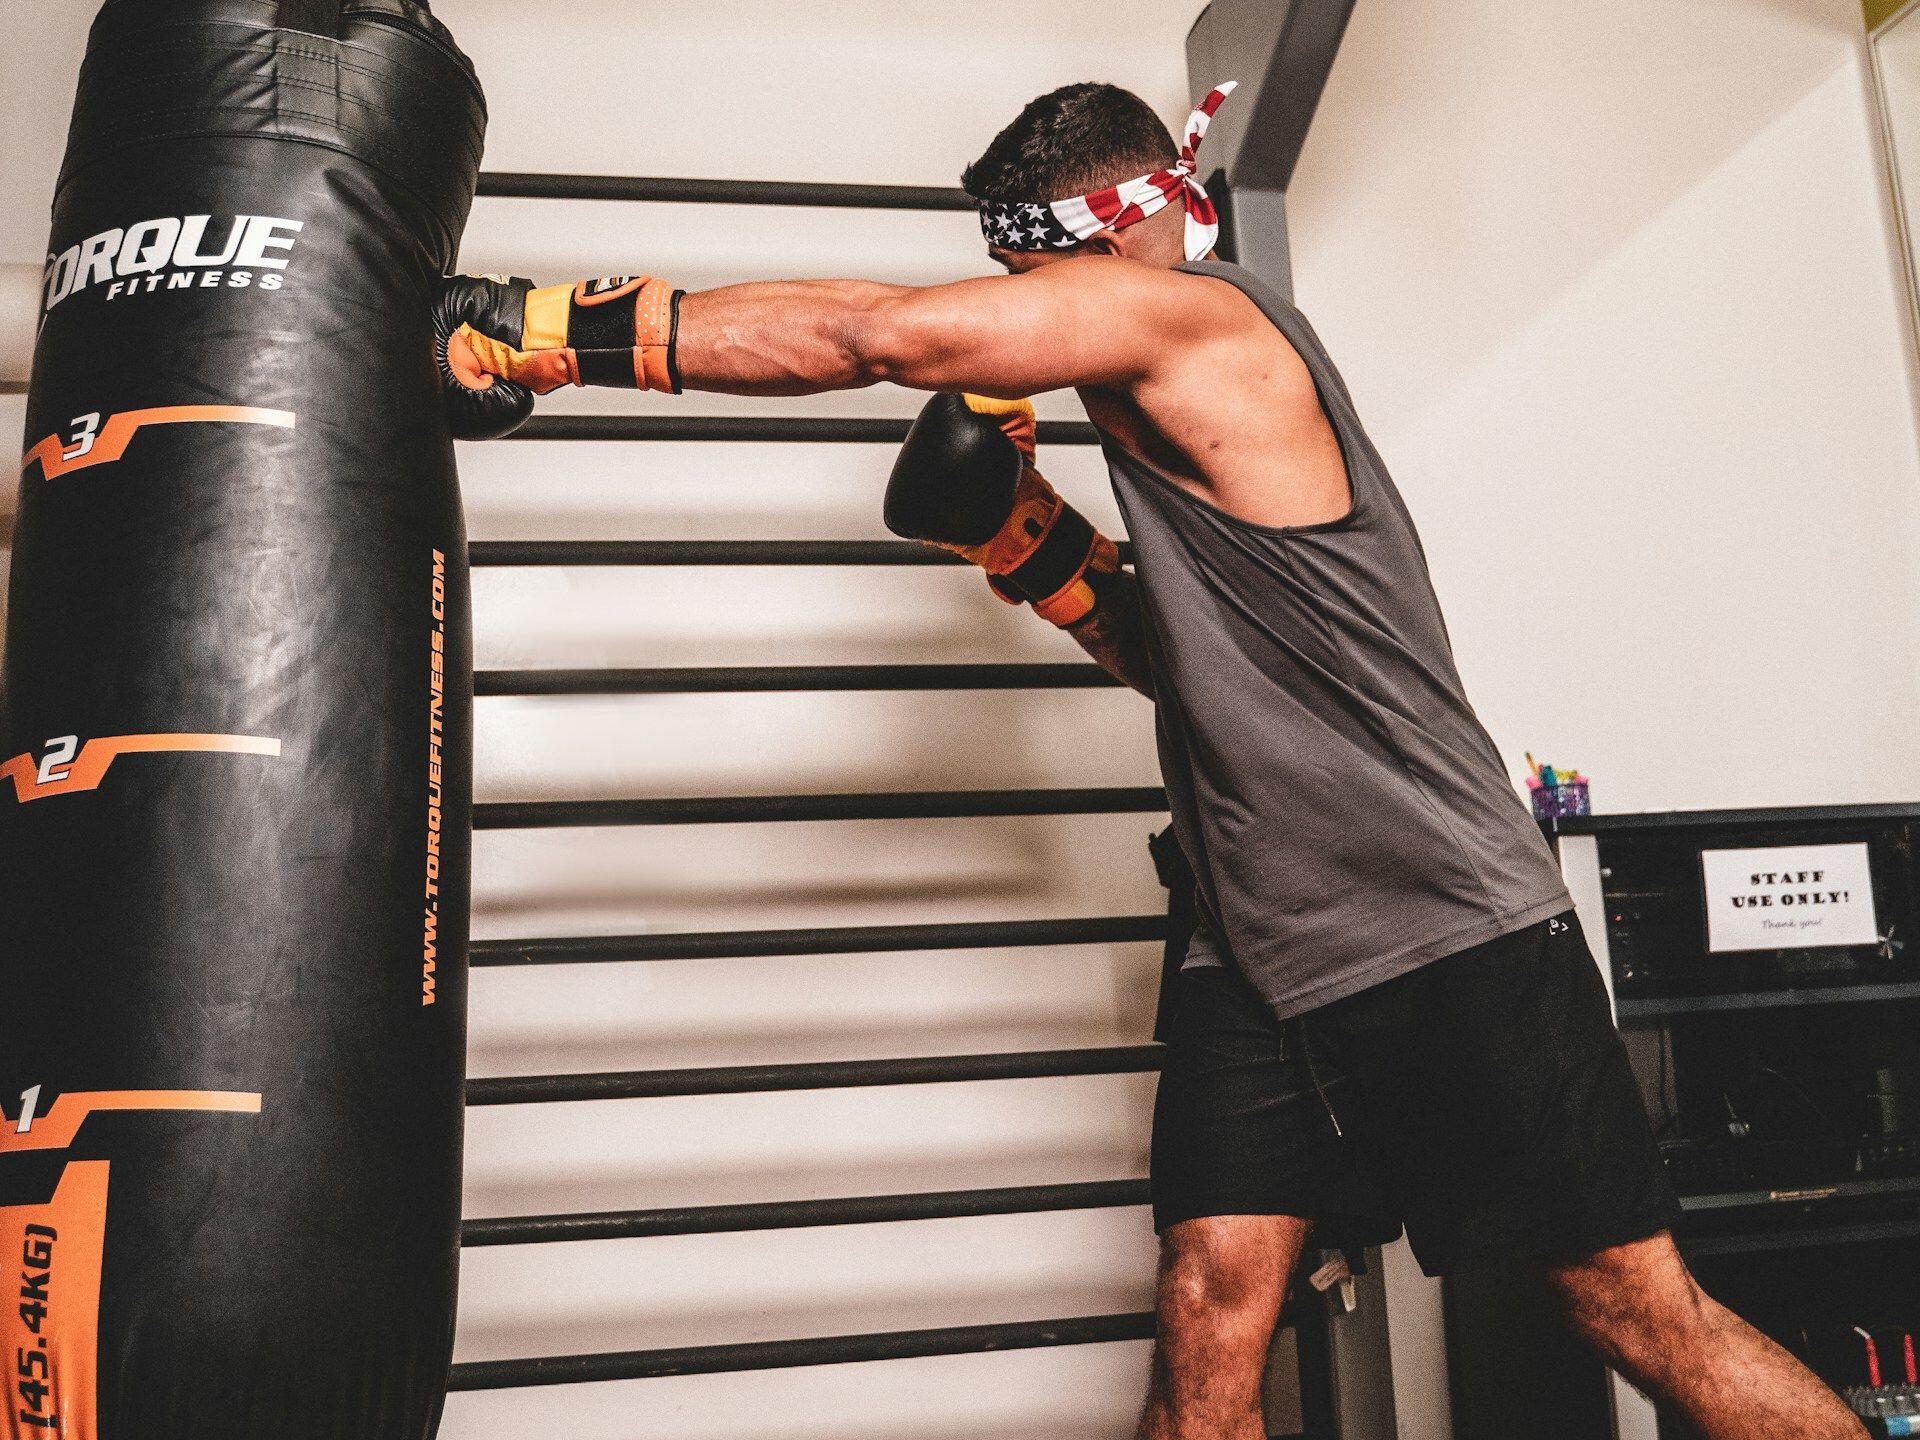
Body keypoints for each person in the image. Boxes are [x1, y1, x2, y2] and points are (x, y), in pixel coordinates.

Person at [436, 82, 1867, 1440]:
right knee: (1203, 1333)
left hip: (1433, 925)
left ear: (1116, 229)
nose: (1020, 320)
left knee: (1640, 1320)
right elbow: (1170, 659)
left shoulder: (1198, 323)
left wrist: (543, 330)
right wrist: (1031, 550)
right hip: (1255, 943)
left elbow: (880, 333)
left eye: (1026, 282)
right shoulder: (1158, 403)